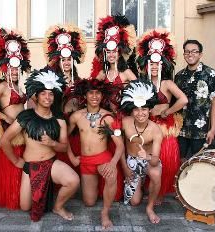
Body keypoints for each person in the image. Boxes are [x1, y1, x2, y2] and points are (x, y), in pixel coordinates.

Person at [0, 69, 79, 222]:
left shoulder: (60, 120)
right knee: (25, 206)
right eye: (43, 93)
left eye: (50, 94)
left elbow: (63, 147)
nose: (47, 97)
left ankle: (58, 207)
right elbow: (5, 140)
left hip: (51, 164)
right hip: (30, 166)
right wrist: (16, 161)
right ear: (36, 96)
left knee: (73, 180)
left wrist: (52, 143)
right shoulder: (26, 116)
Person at [136, 30, 188, 202]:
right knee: (147, 158)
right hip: (149, 126)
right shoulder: (142, 84)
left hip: (165, 127)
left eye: (157, 64)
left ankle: (160, 192)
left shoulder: (167, 83)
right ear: (146, 65)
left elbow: (183, 99)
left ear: (162, 65)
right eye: (151, 64)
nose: (154, 67)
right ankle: (149, 189)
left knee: (166, 158)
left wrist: (168, 111)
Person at [0, 27, 31, 209]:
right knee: (9, 163)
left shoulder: (20, 87)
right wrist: (4, 117)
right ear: (5, 70)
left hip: (21, 129)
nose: (14, 72)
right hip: (7, 128)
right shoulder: (2, 87)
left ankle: (21, 195)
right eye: (11, 69)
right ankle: (9, 196)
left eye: (17, 70)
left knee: (20, 162)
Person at [67, 79, 124, 230]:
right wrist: (72, 157)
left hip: (102, 159)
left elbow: (120, 145)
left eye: (97, 93)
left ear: (102, 96)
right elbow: (63, 138)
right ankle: (96, 189)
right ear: (85, 95)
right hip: (85, 162)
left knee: (111, 175)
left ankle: (105, 212)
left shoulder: (108, 117)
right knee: (89, 202)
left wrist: (112, 163)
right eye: (91, 93)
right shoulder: (76, 116)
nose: (94, 96)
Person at [43, 24, 87, 171]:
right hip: (61, 121)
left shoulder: (79, 80)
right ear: (58, 62)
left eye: (69, 59)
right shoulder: (53, 80)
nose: (66, 63)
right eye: (63, 60)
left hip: (77, 125)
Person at [119, 79, 163, 224]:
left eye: (144, 109)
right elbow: (119, 147)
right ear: (131, 109)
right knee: (135, 202)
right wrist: (125, 168)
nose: (140, 113)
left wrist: (147, 156)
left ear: (149, 109)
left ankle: (150, 208)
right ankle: (141, 184)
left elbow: (156, 160)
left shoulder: (156, 130)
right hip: (132, 161)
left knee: (156, 173)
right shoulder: (124, 122)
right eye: (136, 109)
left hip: (150, 160)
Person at [175, 39, 215, 159]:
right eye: (187, 52)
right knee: (179, 162)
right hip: (180, 130)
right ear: (184, 54)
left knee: (198, 165)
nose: (190, 54)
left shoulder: (211, 74)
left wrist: (213, 129)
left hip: (201, 131)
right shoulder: (178, 76)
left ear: (200, 54)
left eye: (194, 51)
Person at [91, 15, 137, 85]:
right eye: (108, 52)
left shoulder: (127, 72)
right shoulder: (102, 74)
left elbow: (140, 89)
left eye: (114, 52)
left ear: (119, 53)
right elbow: (92, 90)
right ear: (105, 53)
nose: (111, 55)